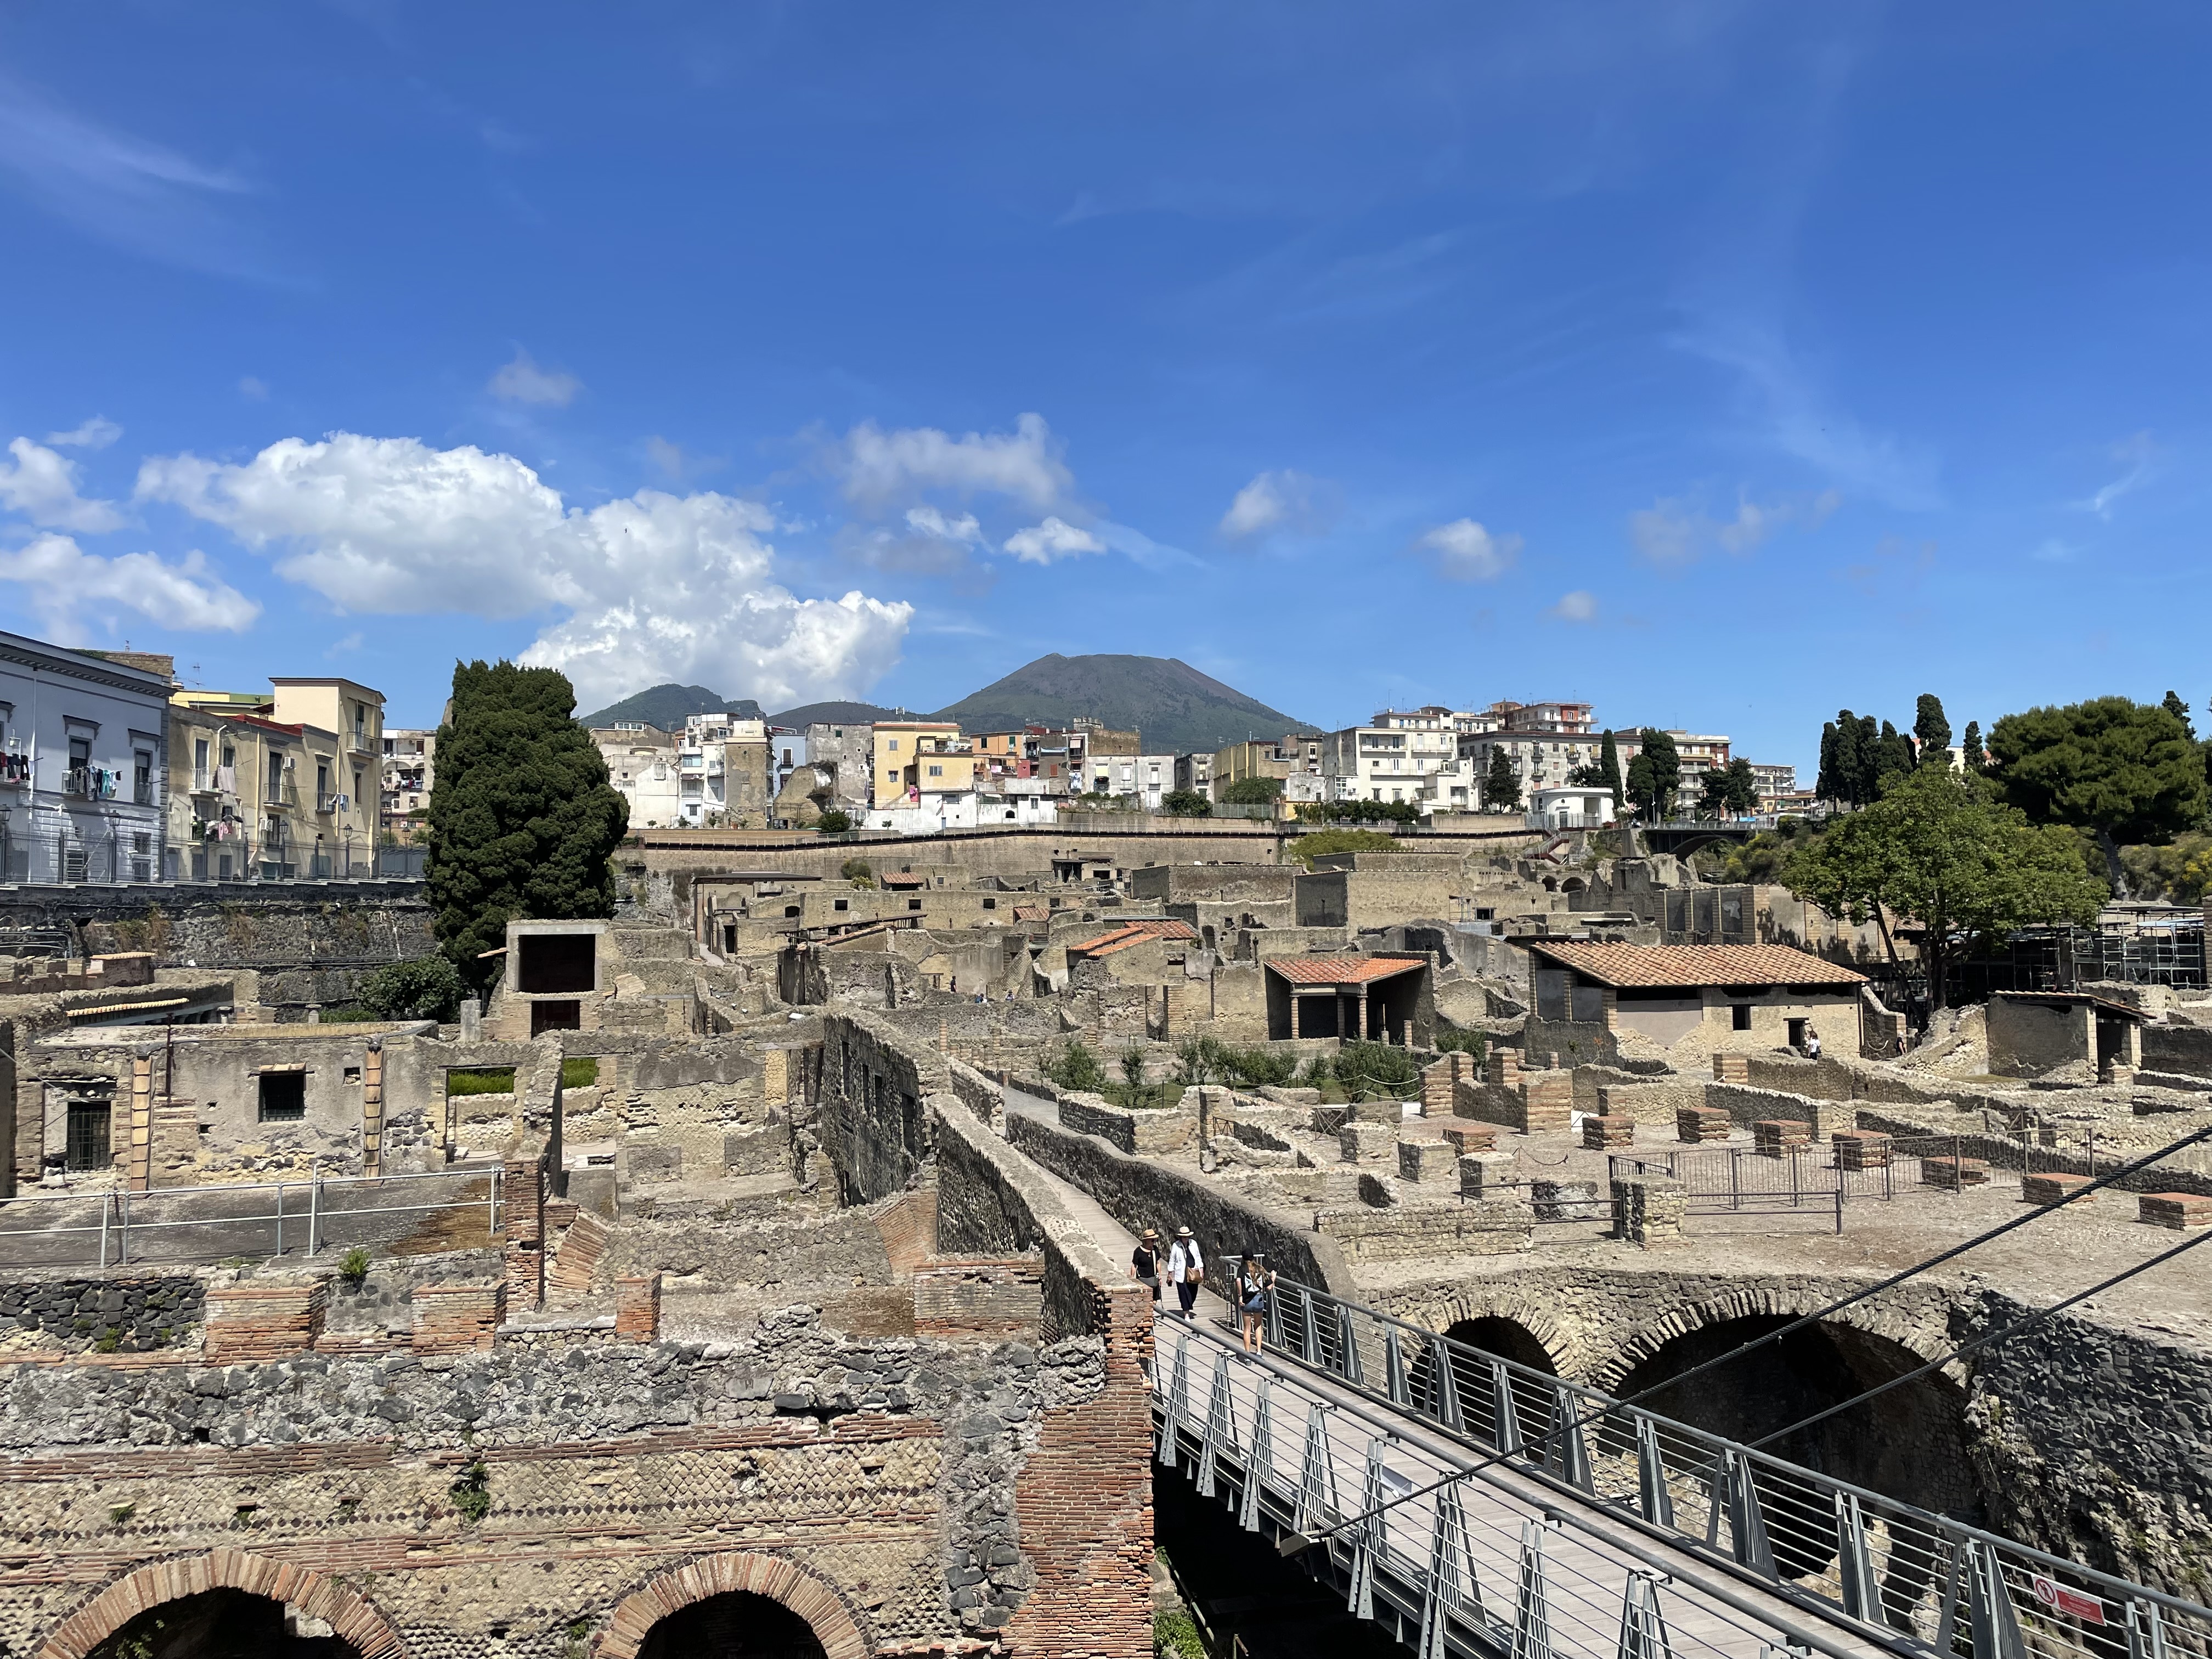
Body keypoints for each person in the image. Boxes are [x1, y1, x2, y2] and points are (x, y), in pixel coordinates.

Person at [1234, 1253, 1273, 1353]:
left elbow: (1238, 1281)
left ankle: (1248, 1354)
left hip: (1247, 1300)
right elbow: (1269, 1287)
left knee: (1247, 1328)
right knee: (1258, 1326)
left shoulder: (1242, 1269)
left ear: (1243, 1258)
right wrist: (1273, 1279)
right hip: (1258, 1299)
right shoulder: (1260, 1268)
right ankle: (1259, 1351)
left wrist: (1240, 1296)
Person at [1166, 1226, 1205, 1318]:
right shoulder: (1176, 1246)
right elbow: (1172, 1259)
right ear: (1180, 1237)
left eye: (1187, 1237)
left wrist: (1201, 1269)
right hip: (1181, 1274)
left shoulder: (1193, 1244)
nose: (1186, 1239)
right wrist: (1170, 1273)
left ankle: (1188, 1306)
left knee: (1193, 1293)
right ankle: (1186, 1313)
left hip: (1193, 1272)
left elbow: (1198, 1257)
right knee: (1184, 1294)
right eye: (1184, 1237)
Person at [1130, 1229, 1161, 1306]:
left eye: (1155, 1240)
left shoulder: (1155, 1250)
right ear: (1146, 1241)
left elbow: (1158, 1263)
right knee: (1145, 1300)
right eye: (1152, 1240)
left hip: (1154, 1279)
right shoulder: (1138, 1251)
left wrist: (1160, 1277)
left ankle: (1151, 1312)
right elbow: (1134, 1265)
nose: (1154, 1242)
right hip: (1142, 1279)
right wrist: (1131, 1278)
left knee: (1154, 1300)